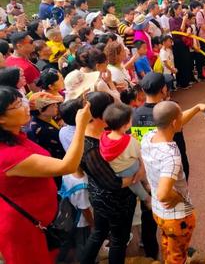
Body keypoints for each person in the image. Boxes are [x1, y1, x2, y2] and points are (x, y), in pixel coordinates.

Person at [0, 86, 91, 264]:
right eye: (18, 105)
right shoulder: (7, 156)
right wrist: (81, 125)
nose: (26, 106)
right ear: (1, 118)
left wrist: (31, 103)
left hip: (40, 219)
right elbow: (68, 165)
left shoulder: (13, 134)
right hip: (24, 228)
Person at [141, 101, 205, 263]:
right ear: (174, 123)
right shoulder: (171, 156)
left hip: (159, 213)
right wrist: (178, 198)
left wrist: (196, 108)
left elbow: (173, 120)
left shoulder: (148, 137)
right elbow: (163, 194)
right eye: (180, 116)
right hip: (177, 217)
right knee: (177, 257)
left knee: (168, 245)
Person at [79, 92, 136, 264]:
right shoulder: (90, 147)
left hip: (99, 196)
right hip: (114, 200)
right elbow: (113, 182)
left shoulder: (99, 133)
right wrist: (136, 175)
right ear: (100, 115)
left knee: (99, 233)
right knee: (119, 239)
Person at [99, 103, 150, 204]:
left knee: (135, 187)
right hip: (132, 168)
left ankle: (145, 197)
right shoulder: (129, 141)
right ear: (125, 125)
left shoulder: (104, 137)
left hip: (120, 172)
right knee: (137, 182)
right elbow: (139, 154)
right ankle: (148, 200)